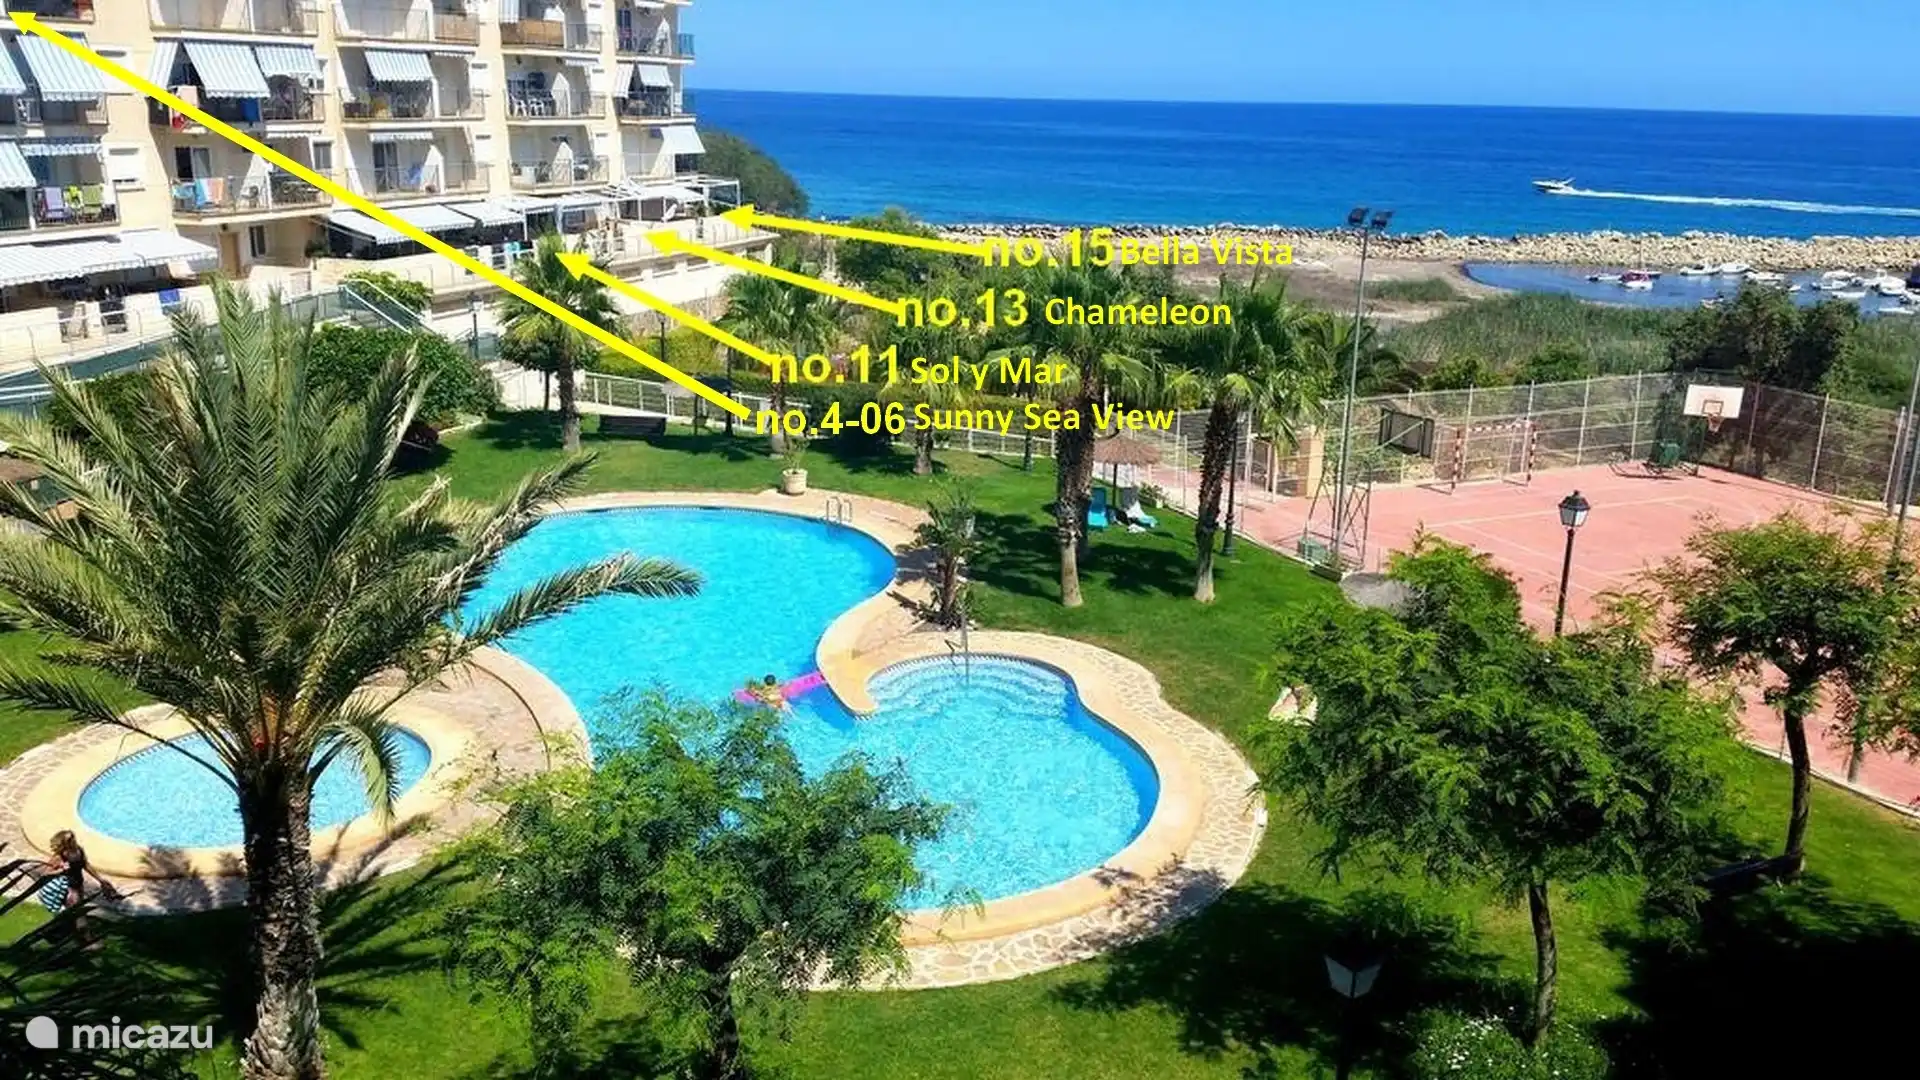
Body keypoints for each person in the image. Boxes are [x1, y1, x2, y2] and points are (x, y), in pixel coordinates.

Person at [40, 830, 119, 945]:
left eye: (72, 837)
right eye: (69, 839)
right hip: (69, 889)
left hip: (79, 886)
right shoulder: (60, 856)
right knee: (79, 914)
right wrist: (61, 870)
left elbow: (86, 865)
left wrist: (100, 880)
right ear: (64, 842)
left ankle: (51, 933)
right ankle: (87, 941)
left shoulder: (79, 850)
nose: (72, 840)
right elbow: (45, 874)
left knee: (72, 913)